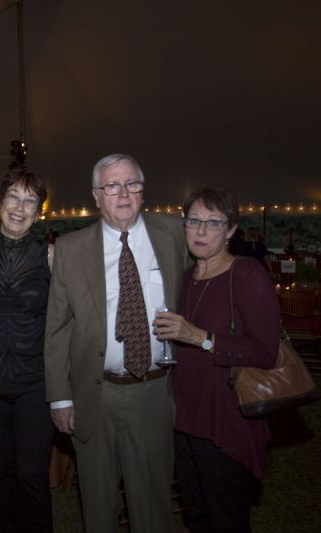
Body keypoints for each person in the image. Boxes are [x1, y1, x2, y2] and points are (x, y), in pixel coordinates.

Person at [45, 153, 190, 532]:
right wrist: (61, 397)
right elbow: (58, 327)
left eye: (132, 184)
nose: (123, 193)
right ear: (96, 196)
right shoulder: (71, 249)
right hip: (96, 394)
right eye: (112, 185)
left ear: (143, 192)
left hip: (155, 391)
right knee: (98, 502)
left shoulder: (174, 233)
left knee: (153, 501)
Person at [153, 187, 280, 532]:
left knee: (227, 518)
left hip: (227, 421)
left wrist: (200, 338)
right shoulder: (185, 278)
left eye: (213, 222)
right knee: (196, 516)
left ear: (231, 229)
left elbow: (265, 352)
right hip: (185, 420)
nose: (201, 231)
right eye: (193, 221)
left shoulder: (247, 274)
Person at [0, 167, 54, 532]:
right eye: (13, 198)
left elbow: (65, 321)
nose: (20, 207)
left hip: (36, 383)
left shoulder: (50, 256)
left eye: (30, 200)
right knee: (0, 474)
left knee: (31, 474)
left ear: (39, 211)